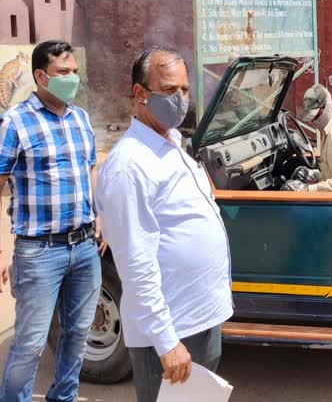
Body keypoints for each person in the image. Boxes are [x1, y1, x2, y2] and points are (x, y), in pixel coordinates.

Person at [95, 47, 232, 402]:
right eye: (170, 91)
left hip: (199, 318)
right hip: (172, 331)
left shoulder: (171, 142)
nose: (181, 100)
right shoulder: (129, 165)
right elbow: (135, 264)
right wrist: (167, 341)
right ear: (140, 94)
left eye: (185, 90)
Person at [0, 40, 105, 402]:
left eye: (74, 71)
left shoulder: (80, 117)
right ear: (41, 76)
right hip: (39, 252)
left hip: (85, 247)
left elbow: (89, 169)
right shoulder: (15, 121)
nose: (72, 79)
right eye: (63, 73)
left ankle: (63, 397)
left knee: (77, 336)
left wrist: (99, 214)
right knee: (29, 344)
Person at [282, 84, 332, 192]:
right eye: (312, 119)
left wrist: (309, 189)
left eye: (317, 116)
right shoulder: (330, 130)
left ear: (326, 107)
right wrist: (317, 176)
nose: (314, 122)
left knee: (288, 188)